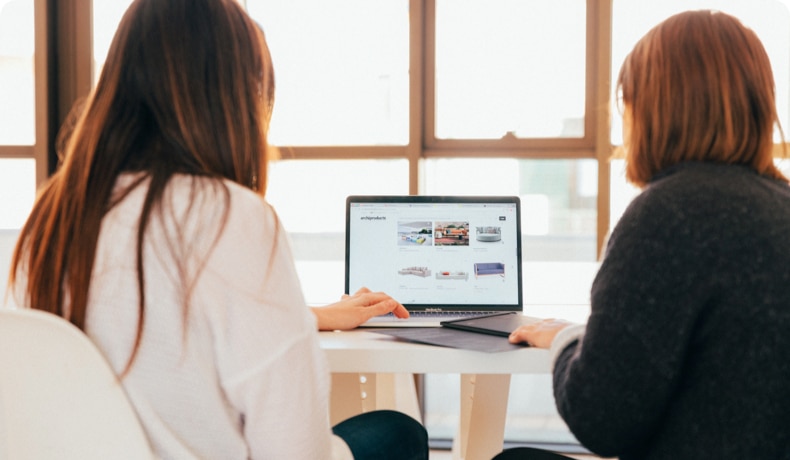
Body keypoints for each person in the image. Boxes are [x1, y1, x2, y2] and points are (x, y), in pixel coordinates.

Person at [7, 0, 427, 459]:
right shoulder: (231, 217)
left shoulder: (53, 216)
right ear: (233, 98)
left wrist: (306, 316)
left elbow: (153, 331)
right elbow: (295, 450)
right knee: (398, 432)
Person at [504, 9, 790, 460]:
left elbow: (601, 417)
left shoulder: (668, 214)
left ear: (652, 108)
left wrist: (566, 341)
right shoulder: (781, 203)